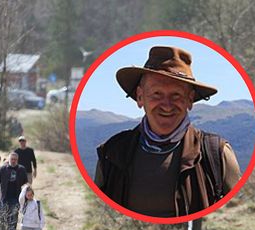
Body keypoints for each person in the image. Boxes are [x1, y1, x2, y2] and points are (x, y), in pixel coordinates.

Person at [94, 45, 242, 217]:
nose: (166, 104)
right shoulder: (112, 153)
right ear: (140, 97)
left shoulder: (216, 154)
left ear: (190, 100)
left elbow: (238, 216)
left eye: (176, 95)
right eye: (157, 93)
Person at [0, 152, 28, 230]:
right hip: (4, 196)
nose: (13, 161)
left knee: (14, 215)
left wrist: (26, 192)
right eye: (12, 159)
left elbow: (26, 182)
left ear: (17, 160)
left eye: (15, 159)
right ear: (9, 159)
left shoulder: (21, 169)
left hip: (16, 197)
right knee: (3, 214)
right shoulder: (3, 168)